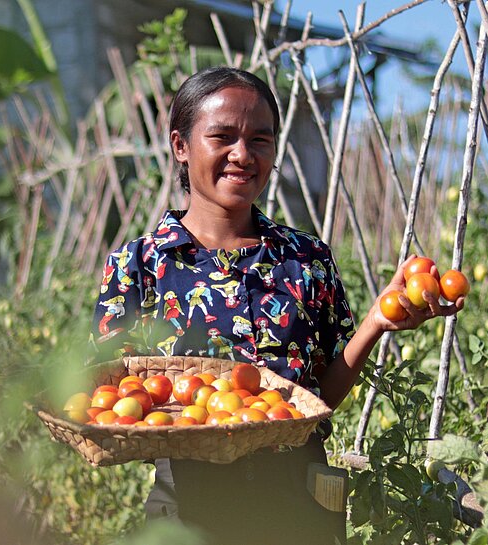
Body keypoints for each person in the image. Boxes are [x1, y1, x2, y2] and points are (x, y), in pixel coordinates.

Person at [91, 66, 464, 545]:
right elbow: (107, 402)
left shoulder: (308, 259)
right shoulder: (138, 265)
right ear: (181, 146)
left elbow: (319, 401)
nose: (242, 155)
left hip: (298, 501)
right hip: (188, 505)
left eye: (260, 140)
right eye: (222, 136)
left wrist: (375, 322)